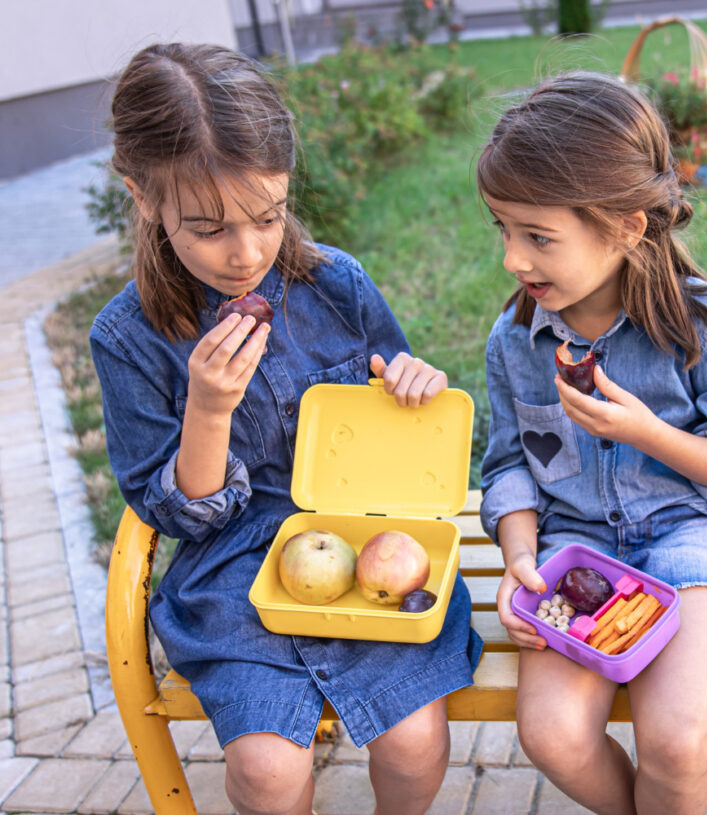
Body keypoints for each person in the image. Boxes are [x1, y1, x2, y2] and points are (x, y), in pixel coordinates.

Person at [90, 43, 482, 815]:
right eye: (208, 228)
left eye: (267, 216)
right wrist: (207, 410)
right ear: (143, 196)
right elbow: (170, 511)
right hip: (232, 575)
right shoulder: (127, 337)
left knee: (414, 743)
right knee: (269, 772)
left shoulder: (334, 284)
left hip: (368, 548)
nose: (246, 252)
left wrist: (414, 383)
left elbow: (397, 415)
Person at [476, 71, 707, 815]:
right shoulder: (516, 341)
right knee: (550, 732)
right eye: (503, 229)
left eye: (538, 236)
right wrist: (520, 562)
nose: (513, 258)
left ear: (625, 228)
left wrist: (649, 432)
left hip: (689, 539)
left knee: (675, 741)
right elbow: (510, 464)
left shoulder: (698, 322)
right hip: (575, 548)